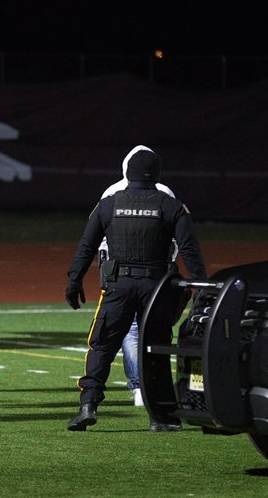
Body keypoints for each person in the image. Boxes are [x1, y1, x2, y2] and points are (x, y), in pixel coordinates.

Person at [65, 148, 206, 431]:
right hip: (156, 288)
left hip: (117, 285)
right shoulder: (170, 205)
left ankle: (88, 405)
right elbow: (189, 249)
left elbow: (86, 245)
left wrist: (74, 281)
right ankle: (162, 417)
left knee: (102, 345)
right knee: (155, 348)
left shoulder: (108, 204)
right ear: (157, 174)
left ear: (126, 172)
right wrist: (200, 285)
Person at [98, 145, 180, 408]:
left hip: (119, 273)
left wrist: (104, 267)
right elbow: (178, 235)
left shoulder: (112, 192)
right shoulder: (165, 193)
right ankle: (152, 386)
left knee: (127, 331)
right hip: (156, 273)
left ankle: (136, 387)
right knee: (156, 330)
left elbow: (98, 234)